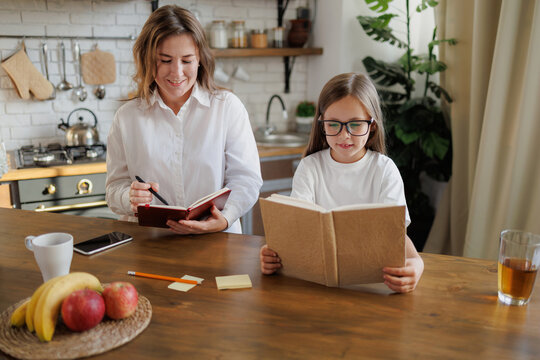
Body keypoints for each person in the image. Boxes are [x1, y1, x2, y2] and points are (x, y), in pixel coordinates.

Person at [259, 73, 424, 293]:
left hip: (373, 288)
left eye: (355, 125)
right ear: (321, 124)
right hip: (316, 286)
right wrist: (272, 255)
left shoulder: (384, 170)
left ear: (372, 125)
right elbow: (298, 232)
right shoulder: (310, 168)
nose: (344, 136)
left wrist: (417, 264)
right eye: (334, 124)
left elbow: (395, 235)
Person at [106, 5, 262, 234]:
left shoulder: (227, 107)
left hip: (218, 240)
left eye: (187, 61)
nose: (177, 73)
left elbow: (246, 180)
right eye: (165, 60)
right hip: (151, 245)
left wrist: (225, 218)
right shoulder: (127, 117)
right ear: (148, 60)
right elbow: (113, 190)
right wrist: (128, 196)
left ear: (200, 60)